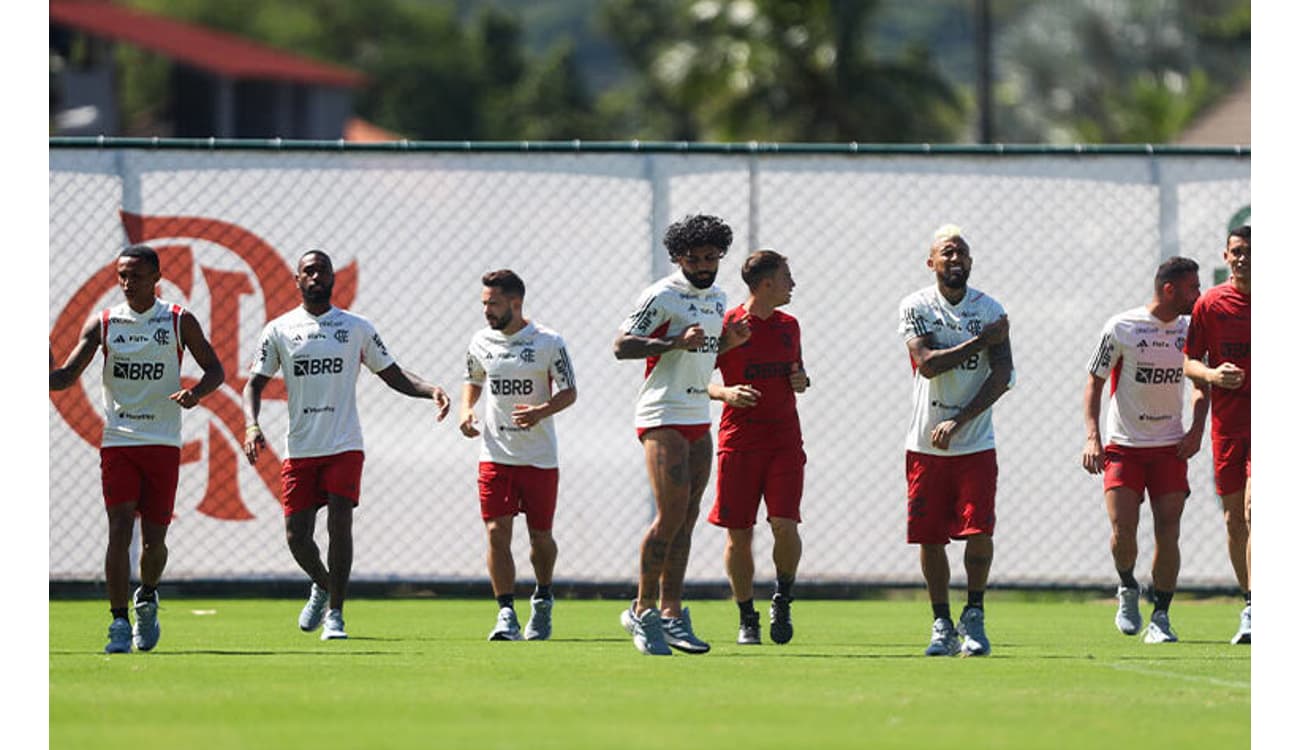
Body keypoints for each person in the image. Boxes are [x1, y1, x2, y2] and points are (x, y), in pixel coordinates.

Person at [242, 250, 450, 641]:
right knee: (296, 537)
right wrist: (252, 426)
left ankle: (336, 614)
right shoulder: (279, 330)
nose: (316, 276)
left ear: (333, 278)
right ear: (297, 280)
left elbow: (393, 373)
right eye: (309, 271)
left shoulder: (355, 327)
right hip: (301, 446)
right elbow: (253, 383)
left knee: (340, 523)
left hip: (344, 444)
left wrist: (430, 390)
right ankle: (322, 584)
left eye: (323, 270)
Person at [50, 244, 226, 654]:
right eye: (123, 275)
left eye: (138, 275)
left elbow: (214, 370)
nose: (129, 283)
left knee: (153, 541)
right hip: (119, 441)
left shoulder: (179, 320)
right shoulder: (106, 323)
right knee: (118, 527)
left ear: (157, 278)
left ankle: (146, 595)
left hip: (162, 442)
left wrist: (195, 393)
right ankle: (116, 622)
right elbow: (67, 376)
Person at [613, 213, 750, 656]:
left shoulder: (718, 297)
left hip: (697, 412)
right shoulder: (662, 294)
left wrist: (729, 341)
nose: (706, 265)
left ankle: (672, 613)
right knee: (668, 516)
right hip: (662, 412)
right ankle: (642, 609)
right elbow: (622, 345)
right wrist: (672, 342)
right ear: (678, 257)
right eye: (696, 258)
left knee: (687, 518)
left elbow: (704, 354)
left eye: (713, 257)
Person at [897, 224, 1014, 658]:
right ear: (931, 262)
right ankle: (941, 623)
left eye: (962, 252)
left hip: (975, 443)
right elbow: (927, 364)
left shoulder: (990, 309)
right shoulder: (916, 307)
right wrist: (982, 341)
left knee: (979, 530)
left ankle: (976, 614)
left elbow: (1002, 376)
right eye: (947, 253)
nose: (955, 259)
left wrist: (962, 421)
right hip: (924, 442)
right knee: (930, 536)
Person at [1081, 257, 1208, 644]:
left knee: (1169, 531)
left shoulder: (1191, 329)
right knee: (1123, 530)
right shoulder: (1123, 326)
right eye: (1192, 288)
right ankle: (1126, 587)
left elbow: (1202, 384)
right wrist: (1092, 436)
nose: (1198, 295)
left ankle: (1162, 617)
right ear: (1169, 289)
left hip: (1170, 448)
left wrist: (1196, 430)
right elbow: (1094, 382)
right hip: (1124, 447)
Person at [459, 269, 577, 641]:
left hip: (539, 457)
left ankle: (542, 598)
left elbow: (570, 391)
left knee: (540, 537)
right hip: (495, 454)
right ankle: (506, 613)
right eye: (484, 304)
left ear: (515, 302)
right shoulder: (480, 342)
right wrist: (466, 411)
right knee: (496, 532)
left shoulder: (547, 341)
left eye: (492, 303)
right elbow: (474, 379)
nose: (486, 311)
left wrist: (541, 412)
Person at [707, 250, 809, 645]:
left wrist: (802, 380)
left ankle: (782, 596)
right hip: (739, 442)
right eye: (787, 277)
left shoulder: (790, 325)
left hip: (783, 440)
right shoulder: (729, 323)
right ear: (766, 283)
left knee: (785, 524)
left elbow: (797, 373)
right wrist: (726, 393)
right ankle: (746, 615)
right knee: (739, 533)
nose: (793, 285)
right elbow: (699, 379)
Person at [1183, 225, 1251, 644]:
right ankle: (1250, 602)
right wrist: (1212, 374)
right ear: (1226, 257)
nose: (1245, 258)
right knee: (1233, 519)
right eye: (1238, 251)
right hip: (1227, 427)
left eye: (1252, 251)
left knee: (1254, 510)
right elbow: (1189, 361)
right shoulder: (1210, 304)